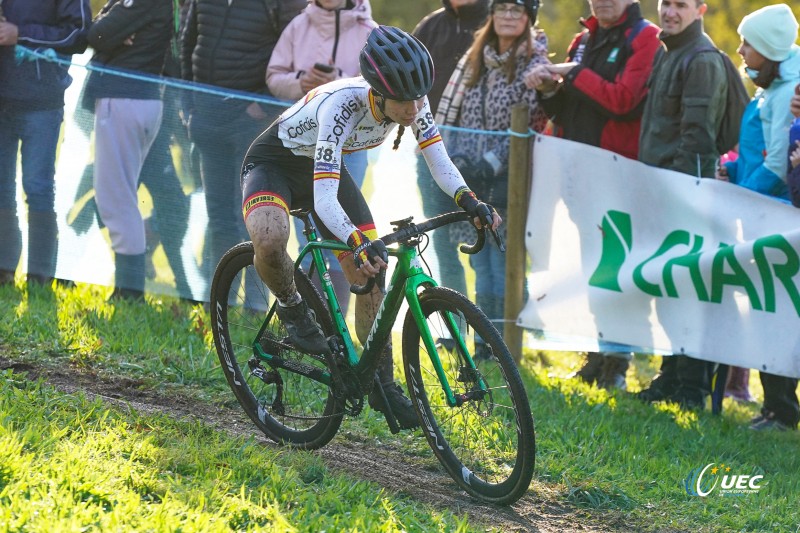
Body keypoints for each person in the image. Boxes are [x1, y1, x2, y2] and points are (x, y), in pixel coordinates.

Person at [240, 26, 500, 429]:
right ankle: (293, 310)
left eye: (418, 98)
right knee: (272, 241)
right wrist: (357, 240)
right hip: (276, 166)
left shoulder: (413, 100)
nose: (413, 109)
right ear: (378, 93)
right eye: (403, 101)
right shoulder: (340, 106)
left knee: (371, 272)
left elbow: (438, 160)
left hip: (324, 174)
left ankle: (382, 382)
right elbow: (324, 198)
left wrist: (469, 200)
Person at [523, 0, 661, 389]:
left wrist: (574, 72)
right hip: (578, 173)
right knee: (594, 266)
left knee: (619, 267)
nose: (602, 1)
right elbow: (564, 109)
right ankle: (598, 352)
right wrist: (551, 88)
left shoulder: (646, 37)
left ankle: (618, 361)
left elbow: (623, 100)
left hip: (621, 174)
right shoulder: (583, 39)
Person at [435, 0, 548, 341]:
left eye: (517, 10)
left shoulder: (535, 63)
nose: (509, 17)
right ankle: (485, 340)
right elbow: (464, 118)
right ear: (492, 15)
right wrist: (461, 161)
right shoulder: (477, 59)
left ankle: (506, 336)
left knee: (503, 260)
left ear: (528, 18)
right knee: (480, 259)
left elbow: (528, 119)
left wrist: (490, 163)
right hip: (473, 176)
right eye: (502, 9)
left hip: (510, 177)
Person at [636, 0, 729, 410]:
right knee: (667, 285)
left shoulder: (702, 59)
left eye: (680, 5)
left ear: (700, 9)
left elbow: (698, 139)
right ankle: (670, 374)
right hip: (658, 189)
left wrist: (681, 196)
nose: (670, 11)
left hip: (686, 194)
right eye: (665, 3)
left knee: (690, 288)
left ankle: (693, 387)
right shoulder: (668, 50)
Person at [180, 0, 306, 291]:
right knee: (219, 216)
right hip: (207, 118)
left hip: (251, 124)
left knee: (253, 220)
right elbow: (188, 46)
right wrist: (189, 103)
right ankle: (218, 299)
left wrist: (259, 104)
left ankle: (254, 303)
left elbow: (292, 55)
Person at [714, 4, 800, 430]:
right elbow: (756, 153)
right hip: (759, 209)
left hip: (775, 218)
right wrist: (731, 169)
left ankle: (782, 409)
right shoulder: (769, 84)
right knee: (767, 312)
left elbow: (778, 167)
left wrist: (739, 198)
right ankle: (774, 406)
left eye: (749, 43)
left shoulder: (788, 92)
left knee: (778, 314)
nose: (741, 49)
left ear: (768, 48)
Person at [266, 0, 377, 317]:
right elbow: (274, 76)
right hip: (302, 144)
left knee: (345, 233)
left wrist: (341, 84)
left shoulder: (370, 32)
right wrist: (302, 82)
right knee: (308, 237)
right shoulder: (298, 25)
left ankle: (337, 318)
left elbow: (381, 88)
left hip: (349, 146)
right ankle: (312, 316)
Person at [83, 0, 174, 300]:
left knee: (117, 198)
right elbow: (101, 32)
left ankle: (130, 292)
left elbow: (96, 34)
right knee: (119, 195)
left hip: (126, 99)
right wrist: (111, 35)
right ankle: (128, 288)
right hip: (133, 99)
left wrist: (110, 39)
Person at [0, 0, 91, 287]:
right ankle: (4, 271)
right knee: (1, 190)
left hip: (41, 102)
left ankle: (40, 277)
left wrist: (20, 33)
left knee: (37, 187)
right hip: (2, 100)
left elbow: (79, 34)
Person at [412, 0, 490, 302]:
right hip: (430, 150)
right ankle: (453, 325)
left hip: (479, 157)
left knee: (486, 246)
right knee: (442, 242)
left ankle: (493, 332)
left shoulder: (495, 22)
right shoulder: (431, 26)